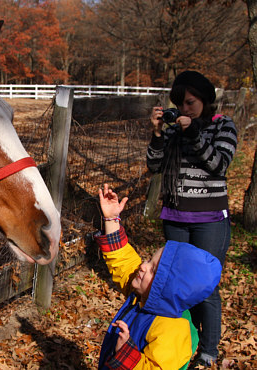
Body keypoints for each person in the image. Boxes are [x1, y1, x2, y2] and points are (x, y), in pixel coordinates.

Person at [146, 71, 237, 367]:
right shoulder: (172, 131)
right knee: (178, 285)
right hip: (174, 216)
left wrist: (194, 133)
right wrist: (159, 134)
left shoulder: (222, 126)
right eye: (180, 104)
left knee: (206, 286)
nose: (185, 109)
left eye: (191, 102)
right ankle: (186, 339)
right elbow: (154, 166)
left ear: (205, 99)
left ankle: (208, 351)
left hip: (209, 220)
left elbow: (218, 164)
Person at [95, 184, 222, 369]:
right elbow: (123, 260)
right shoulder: (143, 296)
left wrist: (126, 355)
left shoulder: (173, 329)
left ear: (168, 288)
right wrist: (112, 218)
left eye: (154, 269)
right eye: (149, 260)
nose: (143, 266)